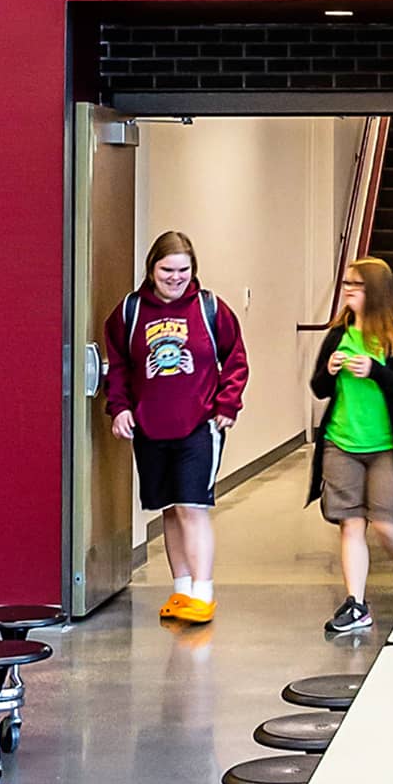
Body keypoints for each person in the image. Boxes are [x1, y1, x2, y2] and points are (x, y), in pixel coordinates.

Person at [104, 231, 248, 625]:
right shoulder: (130, 311)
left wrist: (227, 404)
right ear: (151, 269)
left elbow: (235, 359)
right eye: (167, 269)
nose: (175, 277)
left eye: (183, 270)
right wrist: (120, 408)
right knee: (169, 507)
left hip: (198, 426)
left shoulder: (210, 308)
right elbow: (118, 366)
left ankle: (203, 591)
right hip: (150, 428)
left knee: (192, 506)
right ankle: (182, 589)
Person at [307, 257, 393, 635]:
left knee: (387, 524)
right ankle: (356, 603)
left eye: (355, 285)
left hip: (387, 446)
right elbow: (318, 388)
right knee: (351, 523)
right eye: (346, 284)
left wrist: (376, 371)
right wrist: (328, 371)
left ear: (374, 291)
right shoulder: (337, 334)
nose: (347, 291)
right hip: (341, 442)